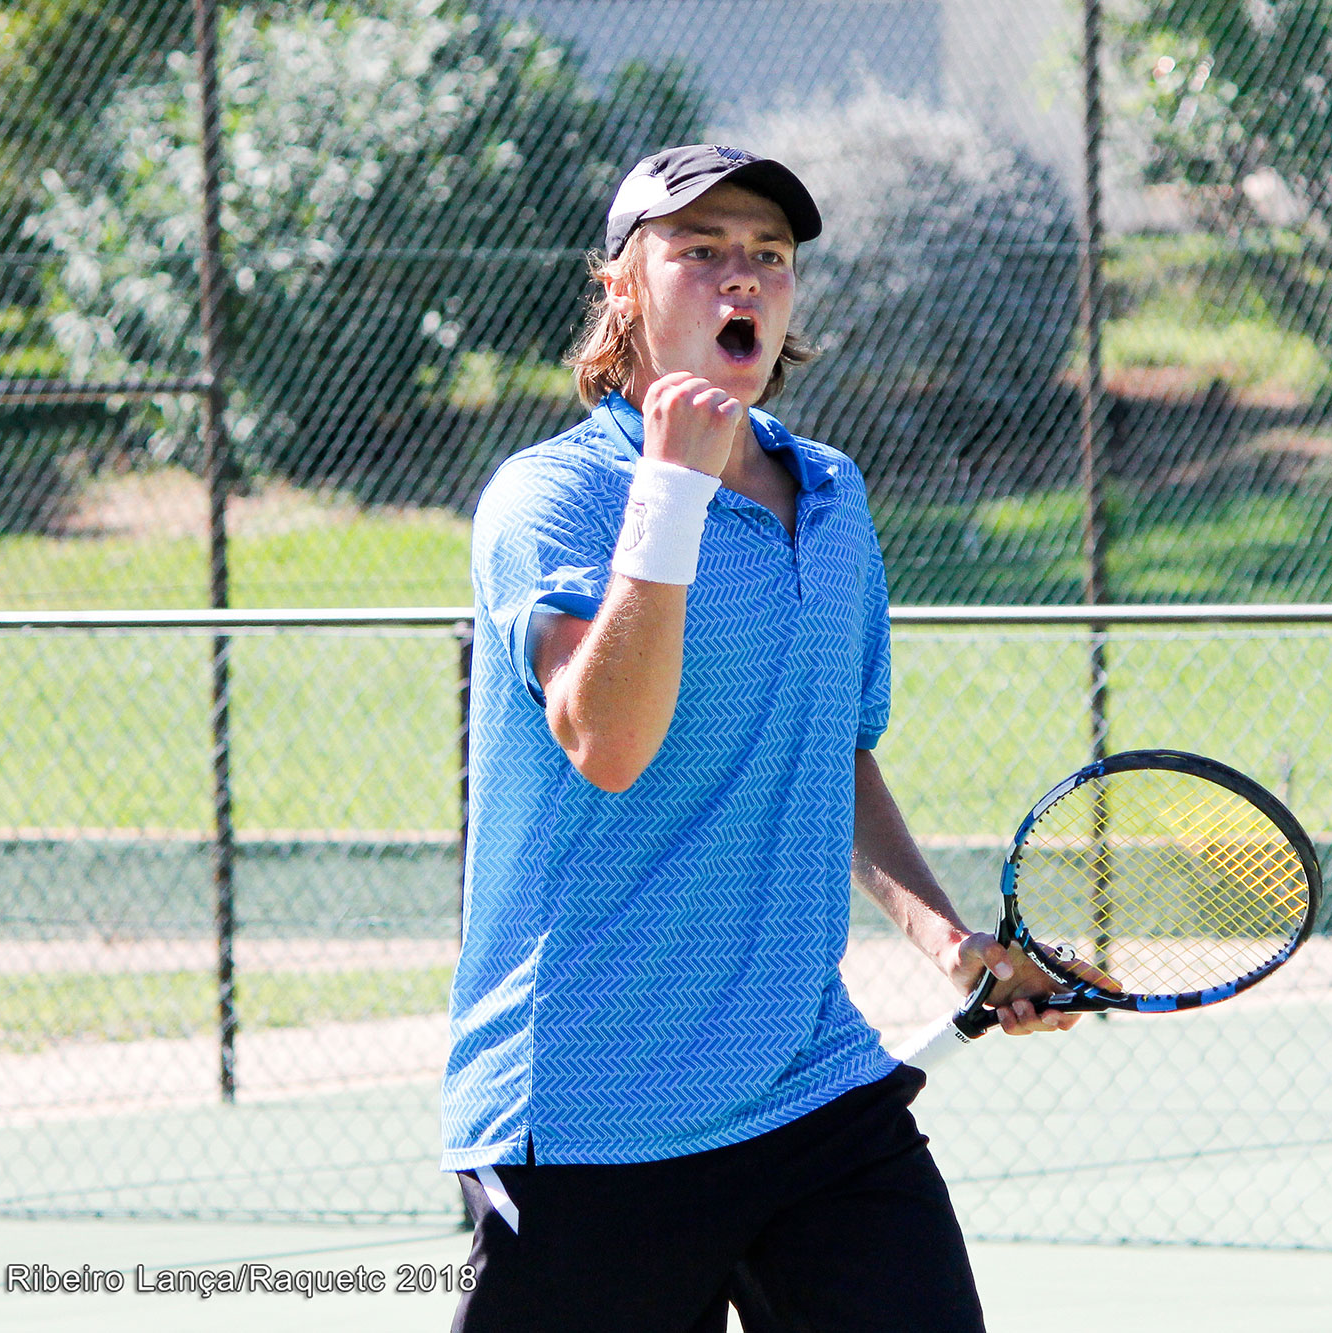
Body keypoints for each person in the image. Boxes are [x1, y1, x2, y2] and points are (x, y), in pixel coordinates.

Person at [444, 144, 1080, 1332]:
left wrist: (950, 944)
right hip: (587, 1114)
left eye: (769, 256)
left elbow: (829, 755)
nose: (742, 277)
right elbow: (606, 743)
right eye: (700, 251)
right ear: (622, 287)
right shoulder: (550, 500)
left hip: (809, 1086)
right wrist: (670, 493)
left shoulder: (830, 496)